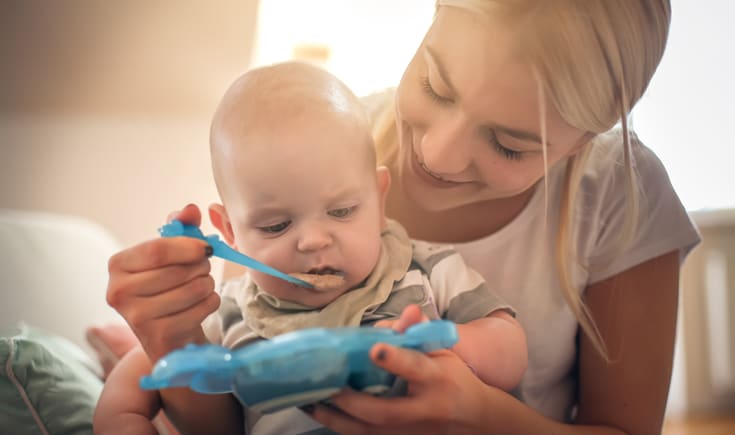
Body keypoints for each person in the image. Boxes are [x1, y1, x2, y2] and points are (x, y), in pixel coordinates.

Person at [99, 0, 701, 433]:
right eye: (437, 87)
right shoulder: (318, 149)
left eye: (511, 144)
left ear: (583, 142)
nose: (436, 155)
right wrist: (168, 341)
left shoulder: (617, 196)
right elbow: (223, 412)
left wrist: (483, 415)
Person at [94, 61, 527, 435]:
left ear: (378, 201)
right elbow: (142, 373)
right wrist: (120, 419)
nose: (314, 240)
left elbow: (510, 349)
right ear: (229, 231)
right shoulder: (225, 313)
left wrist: (450, 344)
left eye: (341, 211)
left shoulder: (425, 270)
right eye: (276, 225)